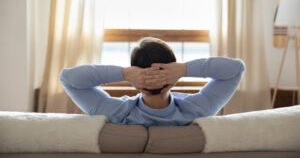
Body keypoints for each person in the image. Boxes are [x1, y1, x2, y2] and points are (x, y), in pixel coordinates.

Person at [60, 37, 245, 127]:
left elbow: (68, 78)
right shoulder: (197, 110)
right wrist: (183, 69)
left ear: (135, 82)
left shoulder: (116, 113)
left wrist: (125, 73)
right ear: (172, 80)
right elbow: (236, 69)